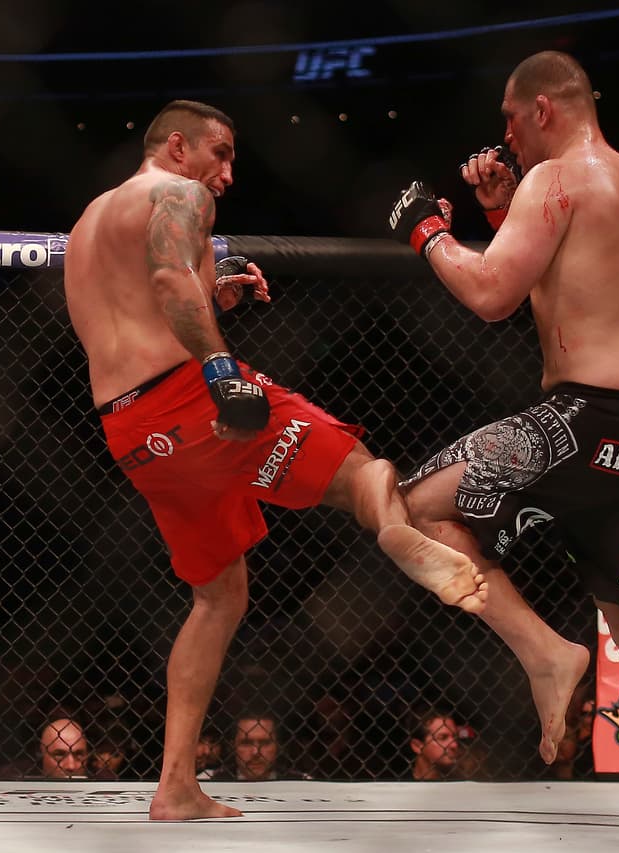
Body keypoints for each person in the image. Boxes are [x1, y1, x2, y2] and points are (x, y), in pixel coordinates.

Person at [63, 99, 487, 821]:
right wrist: (223, 370)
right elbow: (168, 280)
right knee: (361, 467)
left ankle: (175, 785)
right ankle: (388, 528)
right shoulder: (178, 192)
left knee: (219, 594)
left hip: (133, 432)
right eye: (219, 154)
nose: (226, 175)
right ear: (176, 146)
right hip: (192, 401)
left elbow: (143, 304)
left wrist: (212, 292)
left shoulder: (87, 223)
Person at [388, 51, 619, 834]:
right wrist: (501, 221)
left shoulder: (556, 178)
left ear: (543, 109)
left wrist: (427, 228)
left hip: (582, 420)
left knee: (406, 506)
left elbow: (493, 296)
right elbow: (571, 290)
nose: (504, 137)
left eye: (509, 118)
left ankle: (544, 652)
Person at [408, 710, 461, 781]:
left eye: (455, 737)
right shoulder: (397, 784)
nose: (454, 745)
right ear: (417, 746)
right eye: (443, 737)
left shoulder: (461, 782)